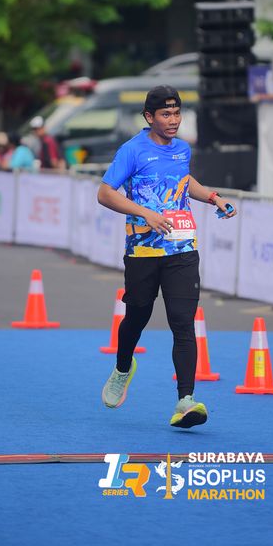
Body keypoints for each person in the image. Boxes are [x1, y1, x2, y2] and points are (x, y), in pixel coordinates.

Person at [97, 84, 237, 429]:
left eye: (177, 113)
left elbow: (183, 181)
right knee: (137, 317)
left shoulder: (182, 149)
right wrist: (145, 213)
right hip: (143, 251)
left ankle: (185, 401)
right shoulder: (132, 150)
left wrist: (214, 197)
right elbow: (105, 193)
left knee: (182, 322)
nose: (173, 120)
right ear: (149, 117)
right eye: (165, 114)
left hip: (182, 248)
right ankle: (123, 368)